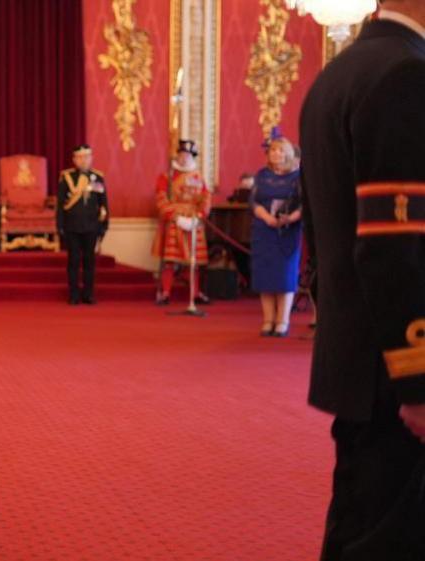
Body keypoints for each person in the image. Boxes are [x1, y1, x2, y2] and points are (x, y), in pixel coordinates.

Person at [299, 2, 425, 558]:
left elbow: (328, 238)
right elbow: (391, 249)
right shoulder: (405, 74)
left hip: (359, 361)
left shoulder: (338, 74)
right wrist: (417, 382)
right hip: (396, 376)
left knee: (358, 527)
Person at [249, 134, 302, 337]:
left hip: (288, 231)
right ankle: (268, 319)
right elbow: (253, 202)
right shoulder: (262, 175)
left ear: (288, 153)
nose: (276, 153)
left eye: (280, 150)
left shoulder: (298, 176)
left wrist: (291, 218)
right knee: (265, 276)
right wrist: (266, 218)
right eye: (273, 150)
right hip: (264, 230)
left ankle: (283, 321)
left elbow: (305, 203)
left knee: (284, 277)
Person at [153, 139, 212, 305]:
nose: (184, 157)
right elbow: (161, 200)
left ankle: (195, 293)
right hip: (175, 221)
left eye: (188, 155)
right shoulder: (166, 177)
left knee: (194, 261)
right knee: (170, 260)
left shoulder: (199, 178)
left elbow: (206, 198)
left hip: (194, 220)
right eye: (181, 154)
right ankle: (165, 292)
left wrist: (200, 216)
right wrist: (175, 217)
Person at [56, 144, 109, 305]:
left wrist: (104, 225)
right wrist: (60, 225)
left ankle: (88, 294)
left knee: (89, 262)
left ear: (91, 158)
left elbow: (103, 204)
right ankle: (73, 294)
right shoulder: (66, 177)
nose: (83, 160)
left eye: (87, 157)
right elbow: (60, 205)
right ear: (74, 159)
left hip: (91, 226)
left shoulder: (97, 177)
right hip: (72, 225)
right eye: (79, 157)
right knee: (73, 261)